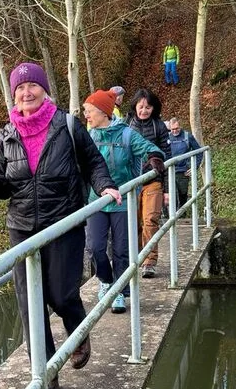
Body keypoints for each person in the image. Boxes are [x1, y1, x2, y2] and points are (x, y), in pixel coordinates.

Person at [0, 63, 120, 389]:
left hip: (63, 223)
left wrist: (104, 186)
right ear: (13, 95)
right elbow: (5, 184)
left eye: (32, 86)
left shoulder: (68, 125)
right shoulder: (7, 134)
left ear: (45, 90)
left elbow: (92, 163)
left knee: (61, 294)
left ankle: (77, 331)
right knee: (30, 304)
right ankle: (45, 376)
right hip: (22, 228)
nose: (26, 93)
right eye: (19, 88)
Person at [82, 89, 165, 313]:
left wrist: (155, 157)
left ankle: (119, 291)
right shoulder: (88, 136)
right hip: (96, 200)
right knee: (95, 247)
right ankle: (106, 281)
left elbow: (151, 148)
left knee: (121, 249)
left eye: (89, 111)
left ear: (103, 112)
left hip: (123, 200)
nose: (86, 115)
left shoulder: (126, 134)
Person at [126, 89, 171, 278]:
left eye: (148, 107)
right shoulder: (126, 126)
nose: (144, 110)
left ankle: (149, 261)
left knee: (150, 220)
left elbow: (168, 157)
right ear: (135, 106)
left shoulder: (159, 126)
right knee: (134, 222)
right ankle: (136, 257)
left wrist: (167, 189)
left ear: (154, 108)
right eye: (141, 106)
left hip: (154, 179)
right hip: (132, 181)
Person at [166, 117, 201, 211]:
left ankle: (182, 215)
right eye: (172, 129)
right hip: (170, 171)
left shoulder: (187, 136)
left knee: (182, 195)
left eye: (177, 128)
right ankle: (172, 217)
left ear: (180, 126)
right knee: (171, 195)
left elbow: (199, 151)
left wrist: (195, 166)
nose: (175, 131)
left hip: (183, 171)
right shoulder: (166, 137)